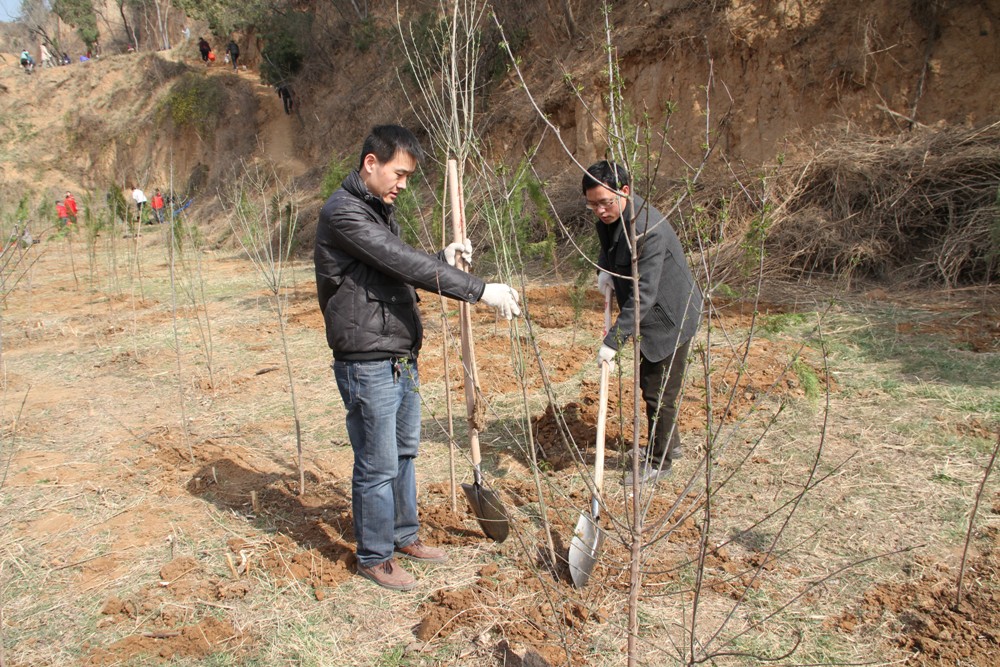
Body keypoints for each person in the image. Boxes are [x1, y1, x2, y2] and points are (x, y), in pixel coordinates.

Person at [315, 125, 521, 592]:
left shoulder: (376, 209)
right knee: (377, 462)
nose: (403, 184)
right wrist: (478, 290)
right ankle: (374, 555)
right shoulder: (343, 213)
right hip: (367, 359)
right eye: (399, 173)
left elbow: (389, 268)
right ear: (372, 162)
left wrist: (440, 257)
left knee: (404, 452)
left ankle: (404, 536)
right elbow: (397, 260)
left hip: (398, 355)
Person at [584, 160, 703, 485]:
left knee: (657, 392)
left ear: (625, 191)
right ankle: (670, 445)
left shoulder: (647, 229)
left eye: (605, 202)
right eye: (592, 204)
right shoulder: (610, 216)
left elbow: (645, 295)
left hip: (670, 317)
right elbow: (608, 248)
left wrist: (612, 342)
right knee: (654, 386)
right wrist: (604, 270)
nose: (599, 211)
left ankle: (660, 461)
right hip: (650, 314)